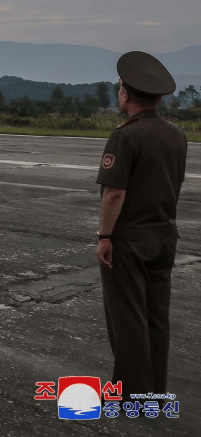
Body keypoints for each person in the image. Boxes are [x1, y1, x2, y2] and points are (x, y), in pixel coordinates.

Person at [95, 51, 186, 398]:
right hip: (164, 236)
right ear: (159, 97)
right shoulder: (176, 134)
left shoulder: (125, 135)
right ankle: (155, 389)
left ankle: (132, 392)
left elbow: (115, 193)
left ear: (125, 94)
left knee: (128, 317)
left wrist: (105, 236)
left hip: (130, 240)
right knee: (156, 317)